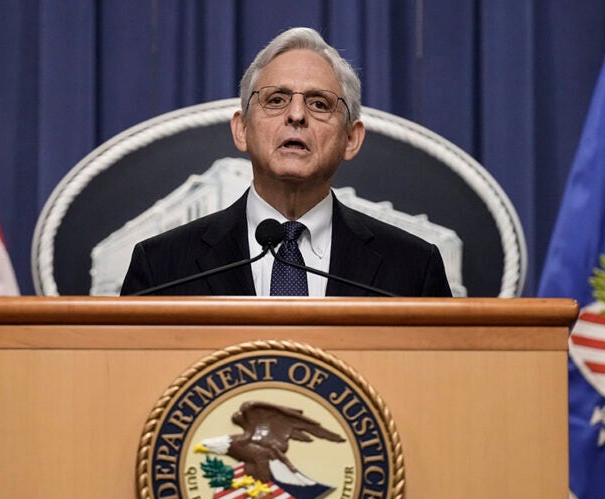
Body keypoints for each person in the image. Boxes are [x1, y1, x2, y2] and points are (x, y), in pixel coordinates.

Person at [120, 27, 451, 297]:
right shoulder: (161, 268)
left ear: (351, 139)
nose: (296, 115)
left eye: (319, 104)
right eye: (276, 100)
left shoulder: (413, 269)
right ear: (242, 129)